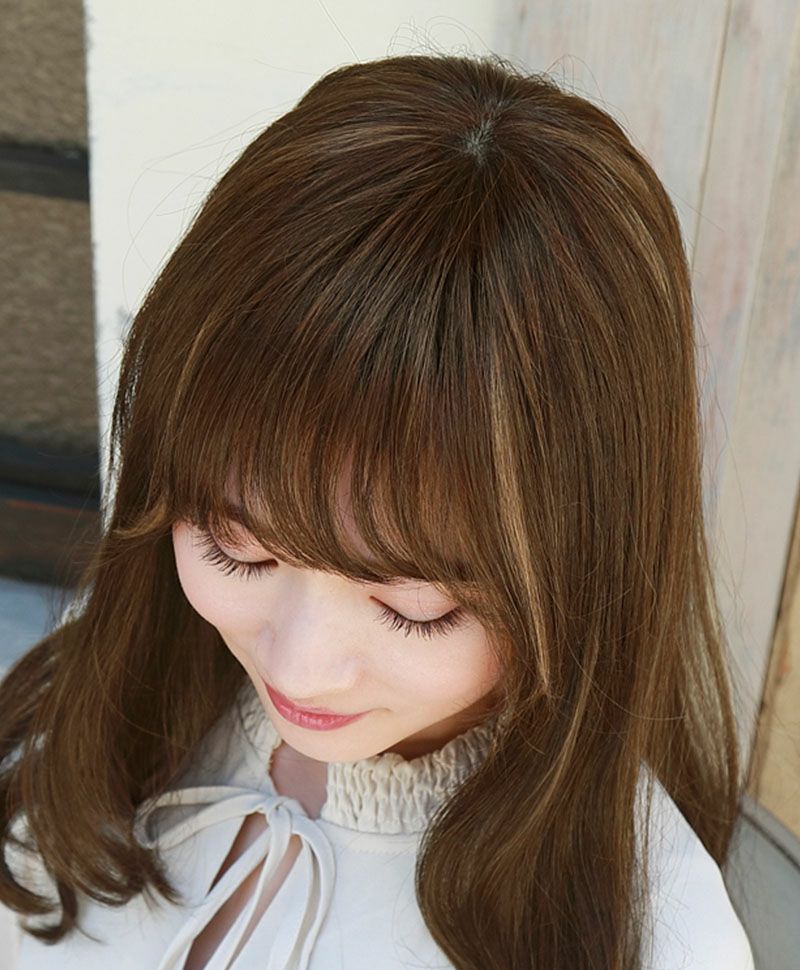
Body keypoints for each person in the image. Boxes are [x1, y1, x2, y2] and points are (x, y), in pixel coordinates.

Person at [0, 50, 756, 970]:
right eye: (238, 547)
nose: (301, 670)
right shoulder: (101, 706)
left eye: (415, 607)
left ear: (586, 566)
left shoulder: (657, 940)